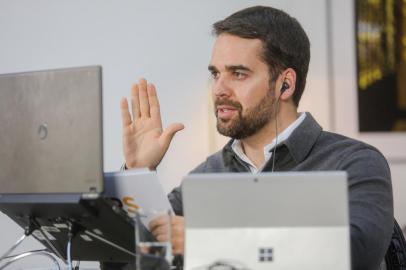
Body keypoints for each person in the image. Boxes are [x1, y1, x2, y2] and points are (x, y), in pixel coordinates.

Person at [120, 6, 394, 270]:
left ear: (285, 84)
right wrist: (138, 174)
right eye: (216, 74)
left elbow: (357, 252)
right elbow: (125, 259)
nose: (218, 89)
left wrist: (208, 242)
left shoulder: (354, 162)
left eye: (238, 73)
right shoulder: (205, 176)